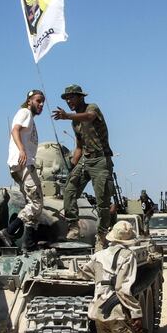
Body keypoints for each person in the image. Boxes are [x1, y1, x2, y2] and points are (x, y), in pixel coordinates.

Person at [52, 84, 115, 250]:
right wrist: (71, 166)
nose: (69, 101)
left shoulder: (91, 108)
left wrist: (67, 116)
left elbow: (89, 116)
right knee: (69, 190)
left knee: (102, 201)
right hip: (85, 160)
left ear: (80, 97)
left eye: (71, 97)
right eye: (66, 99)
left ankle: (101, 237)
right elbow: (79, 147)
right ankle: (73, 226)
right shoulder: (75, 123)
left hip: (101, 160)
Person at [0, 90, 45, 251]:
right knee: (37, 203)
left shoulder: (30, 117)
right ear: (29, 101)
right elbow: (15, 130)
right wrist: (22, 150)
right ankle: (9, 231)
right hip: (24, 163)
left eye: (43, 101)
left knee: (31, 204)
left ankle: (29, 244)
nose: (41, 104)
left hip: (19, 163)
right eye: (38, 101)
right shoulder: (25, 112)